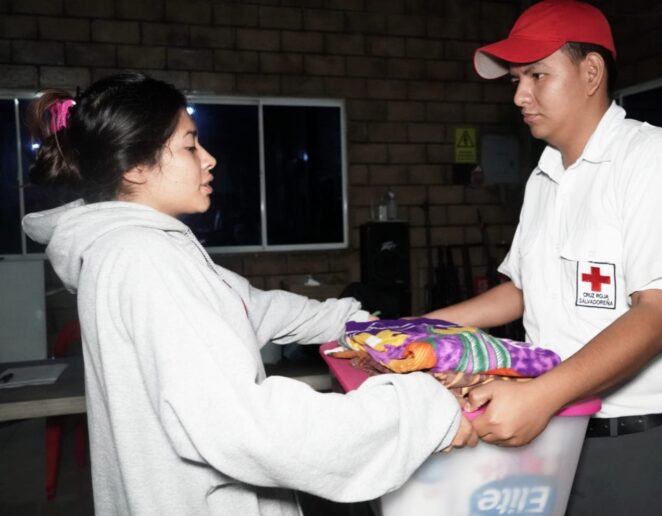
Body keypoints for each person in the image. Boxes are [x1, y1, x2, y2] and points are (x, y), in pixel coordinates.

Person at [22, 73, 477, 516]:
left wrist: (359, 323)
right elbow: (252, 429)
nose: (209, 157)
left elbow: (252, 307)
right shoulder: (144, 259)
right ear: (136, 167)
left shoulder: (145, 248)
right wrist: (422, 408)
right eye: (189, 144)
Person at [426, 1, 662, 514]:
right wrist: (422, 329)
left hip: (638, 446)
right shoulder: (546, 175)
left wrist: (541, 397)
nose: (520, 95)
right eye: (517, 79)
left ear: (590, 73)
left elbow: (659, 316)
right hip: (560, 432)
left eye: (537, 75)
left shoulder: (650, 161)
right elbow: (521, 290)